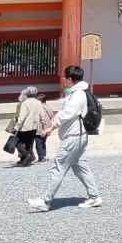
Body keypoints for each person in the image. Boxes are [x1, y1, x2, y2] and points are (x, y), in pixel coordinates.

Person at [27, 65, 102, 211]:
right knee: (81, 168)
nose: (64, 79)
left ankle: (45, 200)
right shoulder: (80, 92)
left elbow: (67, 113)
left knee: (58, 167)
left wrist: (51, 126)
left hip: (72, 137)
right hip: (78, 136)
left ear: (70, 79)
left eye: (65, 77)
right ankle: (94, 196)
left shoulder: (77, 95)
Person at [11, 85, 50, 166]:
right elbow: (42, 115)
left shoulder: (25, 103)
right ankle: (27, 161)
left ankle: (26, 155)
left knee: (17, 142)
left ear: (27, 93)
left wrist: (16, 127)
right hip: (34, 127)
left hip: (25, 127)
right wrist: (44, 126)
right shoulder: (38, 102)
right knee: (29, 144)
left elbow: (22, 116)